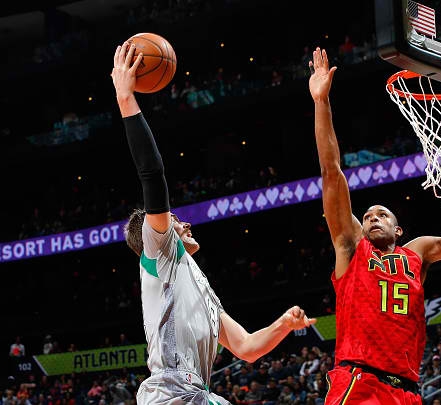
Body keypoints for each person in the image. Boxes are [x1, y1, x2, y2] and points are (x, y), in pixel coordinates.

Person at [111, 40, 316, 405]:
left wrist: (284, 324)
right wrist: (126, 97)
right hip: (169, 393)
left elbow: (247, 348)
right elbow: (153, 175)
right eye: (174, 221)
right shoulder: (160, 254)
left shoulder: (202, 291)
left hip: (197, 394)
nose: (184, 223)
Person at [308, 47, 441, 405]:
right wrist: (321, 101)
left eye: (382, 215)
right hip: (358, 380)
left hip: (406, 391)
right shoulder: (351, 248)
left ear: (399, 229)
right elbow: (331, 173)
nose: (373, 218)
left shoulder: (415, 253)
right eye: (368, 217)